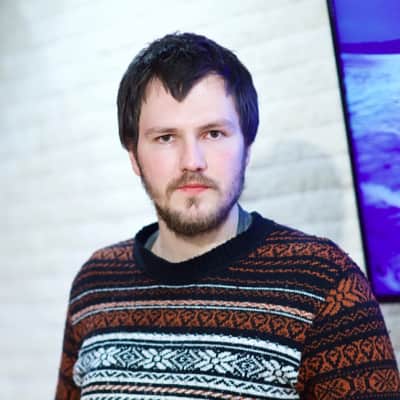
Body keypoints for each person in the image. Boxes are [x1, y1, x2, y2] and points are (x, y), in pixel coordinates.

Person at [55, 32, 400, 400]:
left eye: (214, 133)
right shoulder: (95, 285)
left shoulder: (326, 282)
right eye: (166, 138)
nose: (192, 161)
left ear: (246, 148)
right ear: (134, 157)